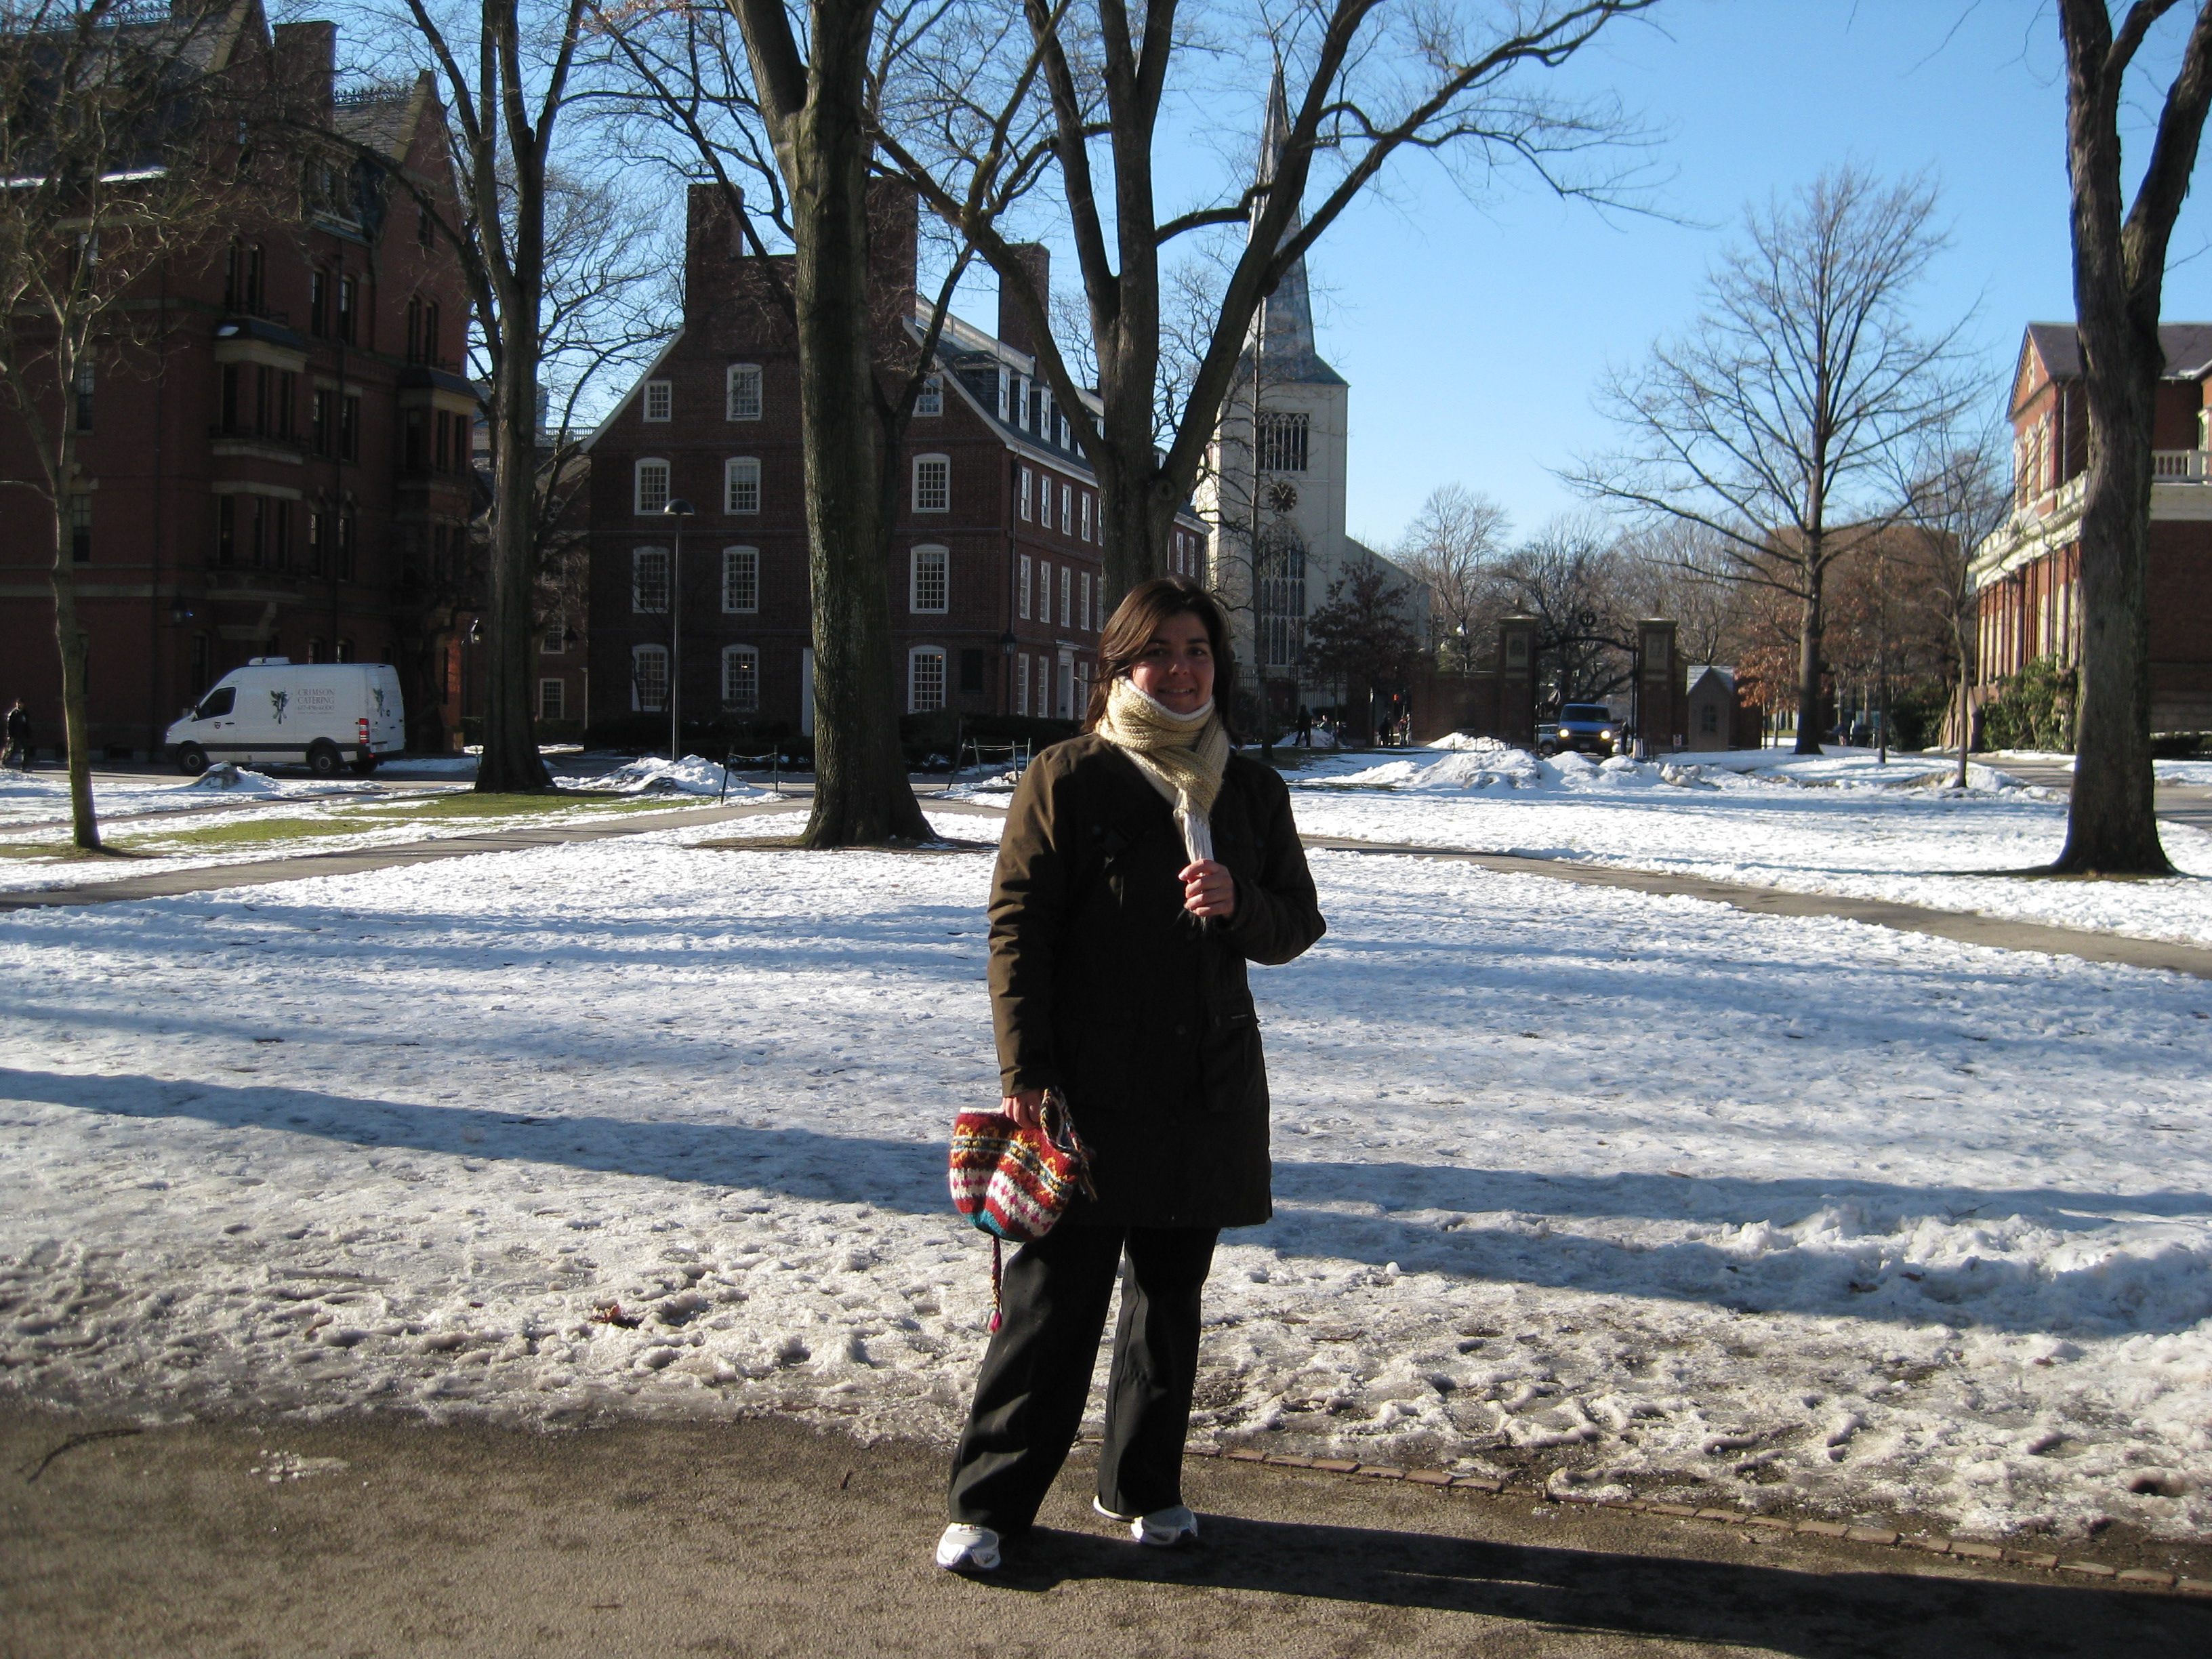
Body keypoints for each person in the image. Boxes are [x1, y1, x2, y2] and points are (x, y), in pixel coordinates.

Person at [937, 576, 1326, 1574]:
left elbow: (1297, 923)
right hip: (1087, 1090)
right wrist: (1025, 1066)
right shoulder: (1068, 777)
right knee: (1051, 1307)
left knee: (1169, 1302)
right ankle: (990, 1504)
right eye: (1159, 651)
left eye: (1197, 650)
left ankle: (1143, 1485)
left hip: (1206, 1086)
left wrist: (1241, 904)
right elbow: (1017, 929)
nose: (1182, 669)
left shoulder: (1251, 790)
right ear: (1119, 666)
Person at [4, 700, 31, 773]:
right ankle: (4, 762)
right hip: (15, 735)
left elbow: (28, 724)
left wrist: (29, 733)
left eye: (21, 703)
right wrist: (10, 735)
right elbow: (10, 725)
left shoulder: (25, 713)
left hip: (24, 735)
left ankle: (24, 767)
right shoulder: (14, 713)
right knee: (13, 750)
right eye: (18, 703)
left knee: (26, 751)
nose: (20, 705)